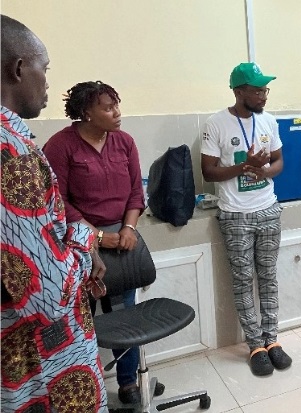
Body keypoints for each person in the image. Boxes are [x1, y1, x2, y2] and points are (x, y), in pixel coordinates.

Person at [1, 15, 108, 412]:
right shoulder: (11, 153)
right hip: (41, 371)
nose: (46, 82)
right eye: (43, 69)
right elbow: (45, 291)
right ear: (17, 69)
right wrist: (87, 238)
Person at [42, 80, 160, 405]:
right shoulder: (61, 145)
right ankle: (86, 384)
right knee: (82, 318)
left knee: (125, 312)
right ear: (85, 113)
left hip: (123, 242)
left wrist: (129, 229)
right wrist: (96, 236)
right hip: (80, 244)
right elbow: (58, 201)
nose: (117, 113)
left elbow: (137, 193)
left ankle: (128, 383)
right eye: (108, 108)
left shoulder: (124, 142)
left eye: (116, 105)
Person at [201, 62, 291, 376]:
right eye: (257, 89)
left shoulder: (269, 121)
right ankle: (255, 345)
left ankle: (273, 340)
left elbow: (279, 160)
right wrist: (244, 167)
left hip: (268, 209)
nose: (264, 95)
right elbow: (208, 171)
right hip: (235, 215)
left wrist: (266, 171)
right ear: (239, 92)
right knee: (242, 282)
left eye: (265, 89)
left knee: (268, 277)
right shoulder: (216, 123)